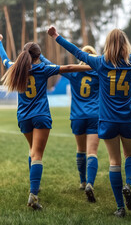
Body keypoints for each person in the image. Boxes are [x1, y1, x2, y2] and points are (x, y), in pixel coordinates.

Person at [47, 26, 131, 218]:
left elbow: (76, 51)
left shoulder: (100, 63)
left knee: (114, 162)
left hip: (107, 119)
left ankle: (120, 208)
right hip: (128, 118)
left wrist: (56, 36)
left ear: (107, 44)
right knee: (130, 156)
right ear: (125, 45)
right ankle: (128, 185)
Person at [0, 33, 92, 210]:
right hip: (41, 116)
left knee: (32, 151)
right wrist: (90, 66)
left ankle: (35, 187)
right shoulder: (44, 69)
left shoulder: (15, 68)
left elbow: (4, 59)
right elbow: (68, 67)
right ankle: (33, 195)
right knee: (37, 154)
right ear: (39, 55)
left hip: (23, 117)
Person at [41, 45, 100, 203]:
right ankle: (90, 183)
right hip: (95, 115)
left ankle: (82, 181)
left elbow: (52, 65)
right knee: (92, 151)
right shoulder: (99, 72)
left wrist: (40, 56)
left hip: (77, 116)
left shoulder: (73, 72)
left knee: (80, 150)